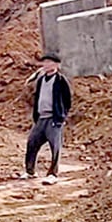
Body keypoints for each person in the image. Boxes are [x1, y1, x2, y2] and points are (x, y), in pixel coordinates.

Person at [21, 53, 72, 185]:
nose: (46, 65)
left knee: (55, 146)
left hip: (54, 118)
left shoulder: (61, 81)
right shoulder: (41, 79)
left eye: (49, 62)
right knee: (32, 143)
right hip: (41, 118)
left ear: (56, 65)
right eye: (44, 62)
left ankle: (52, 174)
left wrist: (61, 115)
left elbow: (67, 100)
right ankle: (30, 171)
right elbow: (37, 97)